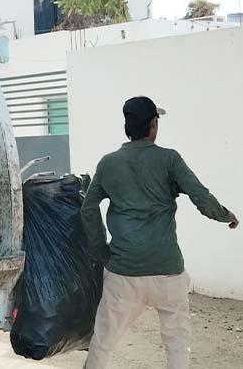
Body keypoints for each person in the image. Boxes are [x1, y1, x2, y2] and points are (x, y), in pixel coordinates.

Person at [82, 96, 239, 369]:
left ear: (127, 127)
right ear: (153, 124)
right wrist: (226, 216)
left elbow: (88, 208)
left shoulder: (108, 163)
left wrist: (101, 251)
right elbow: (201, 197)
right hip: (167, 272)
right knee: (177, 342)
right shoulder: (169, 159)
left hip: (124, 273)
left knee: (103, 341)